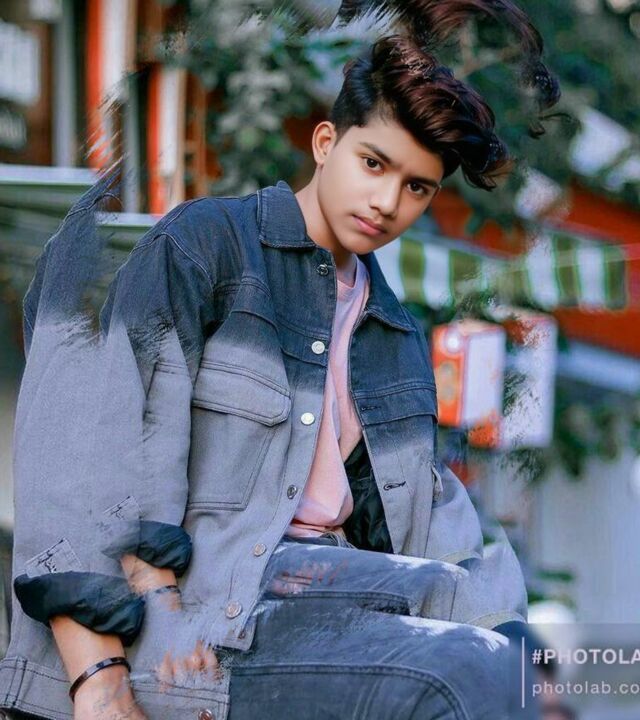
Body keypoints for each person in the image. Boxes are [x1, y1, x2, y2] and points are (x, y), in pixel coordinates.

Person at [0, 3, 560, 719]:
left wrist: (515, 648)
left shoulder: (392, 334)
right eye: (374, 164)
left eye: (416, 187)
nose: (387, 202)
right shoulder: (212, 246)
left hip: (333, 598)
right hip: (209, 613)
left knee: (505, 666)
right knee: (463, 673)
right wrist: (98, 680)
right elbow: (90, 457)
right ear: (326, 142)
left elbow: (435, 522)